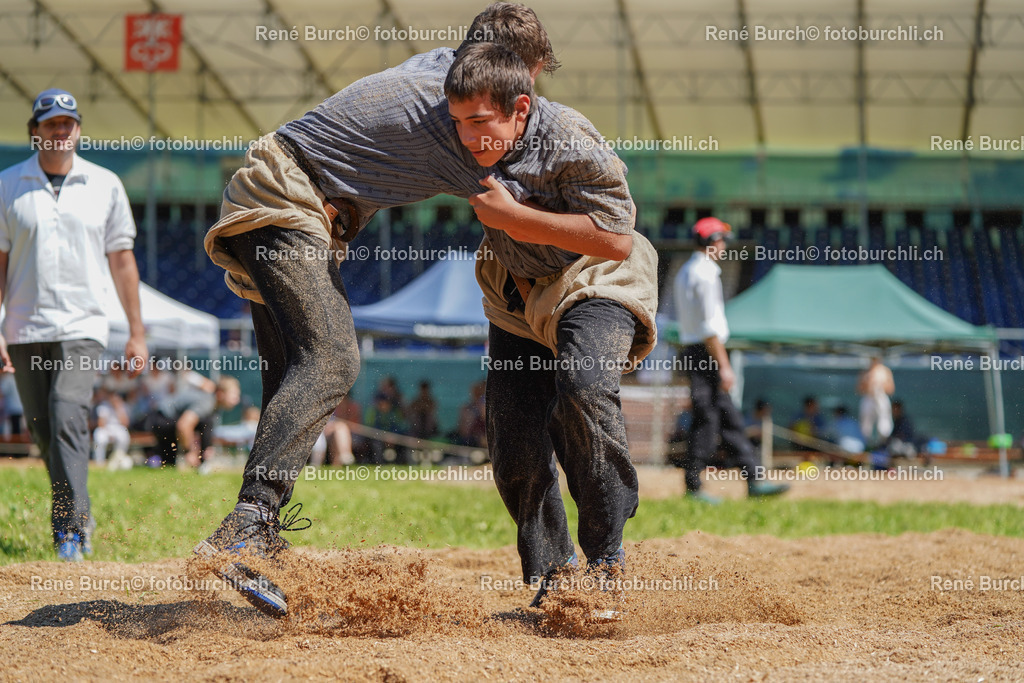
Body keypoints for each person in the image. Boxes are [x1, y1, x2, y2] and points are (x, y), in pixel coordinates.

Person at [194, 4, 563, 617]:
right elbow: (516, 204)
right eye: (524, 83)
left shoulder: (443, 78)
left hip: (287, 197)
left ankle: (259, 540)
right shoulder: (460, 116)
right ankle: (248, 526)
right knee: (334, 359)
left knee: (293, 376)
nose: (525, 103)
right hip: (290, 200)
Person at [446, 43, 660, 613]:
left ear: (522, 100)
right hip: (517, 293)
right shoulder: (454, 131)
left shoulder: (568, 136)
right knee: (514, 439)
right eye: (457, 122)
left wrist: (516, 218)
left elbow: (616, 235)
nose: (467, 137)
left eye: (479, 123)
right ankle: (557, 576)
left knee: (585, 388)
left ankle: (606, 555)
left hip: (598, 277)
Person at [0, 89, 148, 561]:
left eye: (68, 123)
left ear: (79, 130)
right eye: (50, 124)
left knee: (67, 410)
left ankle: (70, 529)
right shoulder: (7, 185)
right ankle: (76, 507)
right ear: (35, 132)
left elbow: (123, 261)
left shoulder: (106, 184)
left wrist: (136, 331)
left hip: (85, 325)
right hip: (25, 327)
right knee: (44, 432)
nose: (60, 131)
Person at [673, 218, 788, 504]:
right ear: (711, 242)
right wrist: (724, 365)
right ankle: (695, 486)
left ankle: (753, 477)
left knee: (725, 416)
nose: (724, 246)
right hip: (707, 352)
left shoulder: (686, 270)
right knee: (707, 418)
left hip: (694, 349)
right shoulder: (706, 273)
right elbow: (710, 329)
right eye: (721, 240)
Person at [146, 375, 241, 468]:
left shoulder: (213, 404)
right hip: (159, 420)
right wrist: (189, 452)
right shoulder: (207, 403)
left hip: (165, 419)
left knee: (169, 466)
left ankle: (203, 460)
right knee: (206, 422)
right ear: (220, 394)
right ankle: (202, 463)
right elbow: (183, 425)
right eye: (234, 394)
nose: (237, 399)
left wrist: (206, 447)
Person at [91, 387, 133, 470]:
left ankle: (118, 459)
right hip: (106, 428)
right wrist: (109, 433)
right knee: (99, 437)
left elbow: (125, 423)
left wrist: (118, 408)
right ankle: (99, 462)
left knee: (124, 437)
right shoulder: (104, 405)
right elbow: (101, 423)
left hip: (118, 428)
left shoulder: (122, 406)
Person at [858, 356, 895, 445]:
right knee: (865, 424)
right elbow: (859, 389)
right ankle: (867, 443)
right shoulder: (865, 372)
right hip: (868, 397)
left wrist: (880, 386)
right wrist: (868, 384)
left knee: (884, 423)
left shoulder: (885, 371)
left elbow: (891, 389)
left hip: (881, 397)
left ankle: (884, 443)